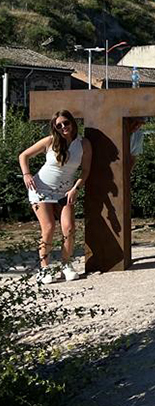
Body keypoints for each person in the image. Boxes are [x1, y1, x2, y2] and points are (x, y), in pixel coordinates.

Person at [19, 110, 91, 284]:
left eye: (65, 123)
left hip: (65, 191)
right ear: (54, 128)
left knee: (69, 228)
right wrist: (26, 174)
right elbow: (24, 155)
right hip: (40, 189)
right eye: (58, 125)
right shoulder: (50, 141)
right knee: (49, 227)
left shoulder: (84, 144)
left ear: (72, 122)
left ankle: (66, 265)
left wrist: (76, 188)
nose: (63, 127)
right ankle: (44, 269)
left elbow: (86, 170)